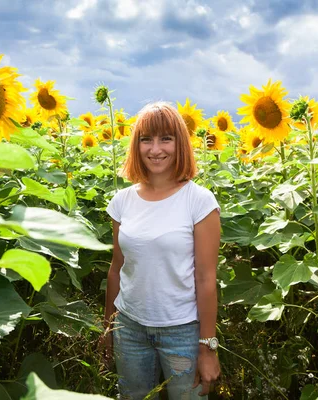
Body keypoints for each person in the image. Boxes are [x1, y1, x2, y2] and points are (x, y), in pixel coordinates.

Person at [101, 101, 221, 399]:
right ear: (136, 145)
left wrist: (208, 347)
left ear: (180, 143)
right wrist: (107, 329)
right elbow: (117, 268)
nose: (155, 149)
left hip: (181, 331)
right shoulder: (122, 201)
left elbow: (206, 279)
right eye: (146, 140)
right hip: (129, 328)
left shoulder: (199, 201)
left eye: (166, 138)